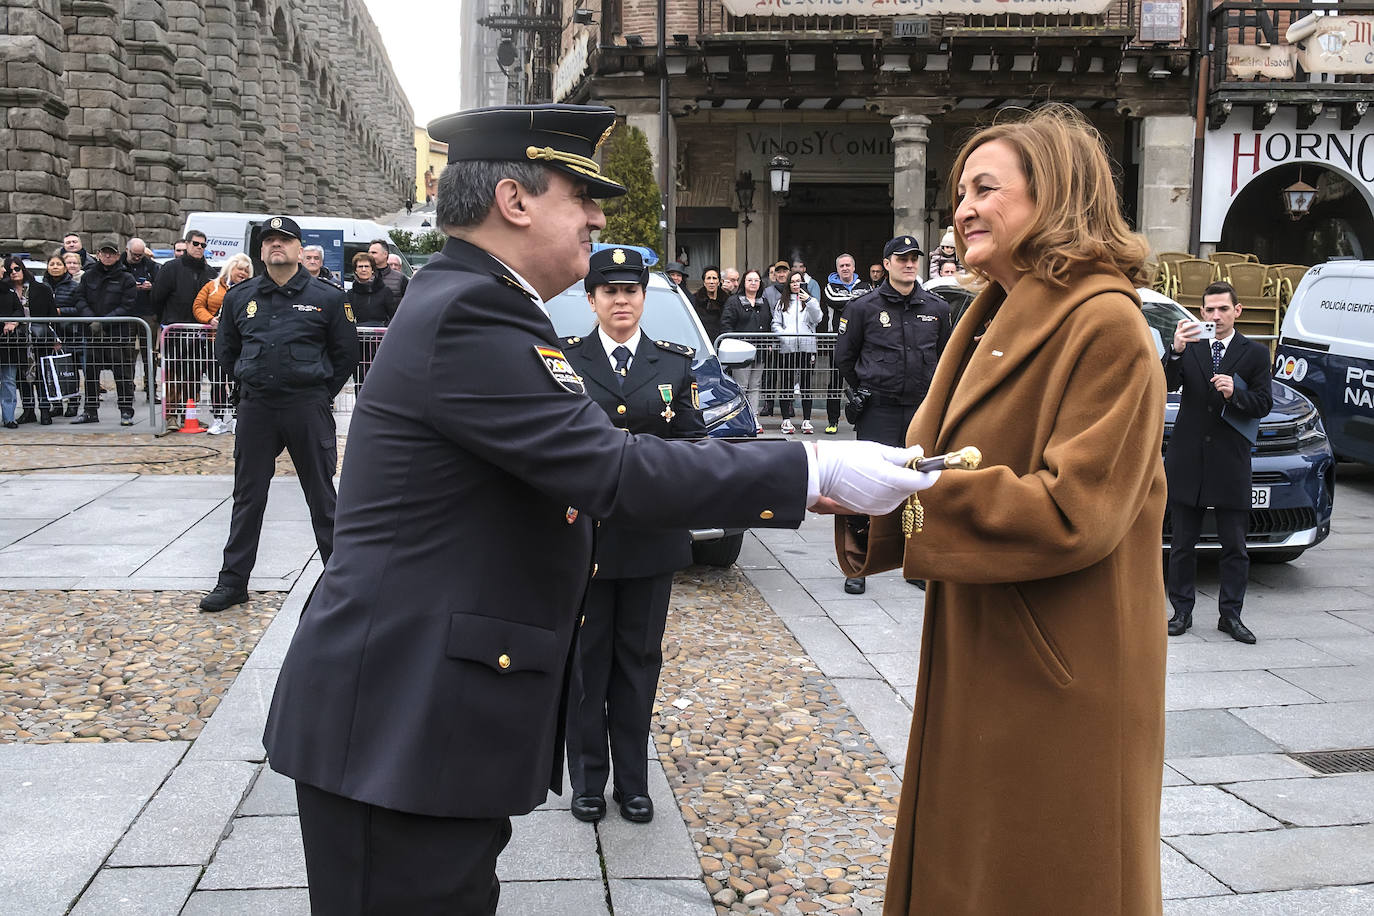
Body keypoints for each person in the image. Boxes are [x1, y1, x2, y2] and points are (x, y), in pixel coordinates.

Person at [259, 102, 936, 916]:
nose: (596, 216)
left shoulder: (484, 303)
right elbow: (611, 469)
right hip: (397, 720)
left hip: (420, 716)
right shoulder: (472, 312)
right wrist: (808, 465)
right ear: (515, 201)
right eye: (579, 195)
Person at [835, 104, 1167, 914]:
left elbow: (1073, 510)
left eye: (986, 188)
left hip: (1060, 663)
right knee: (971, 867)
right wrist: (862, 494)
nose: (963, 208)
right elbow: (938, 459)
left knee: (1043, 874)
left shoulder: (1107, 324)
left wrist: (911, 500)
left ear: (1051, 195)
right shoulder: (985, 310)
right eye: (959, 192)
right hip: (986, 639)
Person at [560, 246, 705, 826]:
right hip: (585, 538)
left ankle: (634, 782)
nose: (621, 300)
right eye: (609, 291)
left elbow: (694, 443)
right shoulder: (563, 361)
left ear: (644, 298)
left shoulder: (673, 364)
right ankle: (588, 780)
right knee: (586, 661)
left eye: (631, 291)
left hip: (648, 535)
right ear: (591, 299)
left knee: (639, 660)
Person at [200, 216, 357, 613]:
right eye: (269, 240)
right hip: (258, 407)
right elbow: (226, 350)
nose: (276, 246)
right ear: (260, 250)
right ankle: (233, 582)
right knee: (247, 497)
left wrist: (320, 394)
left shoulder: (328, 297)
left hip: (306, 406)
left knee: (322, 498)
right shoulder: (240, 296)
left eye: (284, 240)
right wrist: (245, 380)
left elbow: (346, 354)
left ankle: (342, 585)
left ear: (299, 249)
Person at [834, 236, 952, 594]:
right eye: (901, 258)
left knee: (919, 486)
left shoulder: (937, 308)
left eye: (914, 258)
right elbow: (844, 358)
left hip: (921, 410)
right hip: (879, 409)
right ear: (886, 263)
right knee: (865, 484)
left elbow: (946, 359)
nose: (909, 264)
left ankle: (915, 562)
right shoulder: (862, 308)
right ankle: (858, 565)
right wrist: (865, 388)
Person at [1164, 280, 1272, 645]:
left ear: (1237, 311)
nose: (1215, 315)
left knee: (1234, 546)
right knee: (1182, 543)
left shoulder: (1254, 353)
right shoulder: (1191, 346)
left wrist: (1235, 393)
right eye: (1209, 310)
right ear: (1201, 313)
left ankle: (1231, 615)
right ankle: (1181, 611)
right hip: (1188, 457)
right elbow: (1164, 383)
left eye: (1223, 309)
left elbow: (1263, 404)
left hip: (1230, 460)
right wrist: (1176, 350)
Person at [152, 229, 214, 429]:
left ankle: (190, 416)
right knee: (172, 375)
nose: (199, 248)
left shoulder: (209, 272)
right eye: (196, 244)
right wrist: (167, 321)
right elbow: (157, 298)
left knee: (194, 376)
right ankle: (171, 416)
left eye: (203, 245)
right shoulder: (171, 268)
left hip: (199, 333)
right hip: (175, 330)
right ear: (187, 244)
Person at [73, 241, 138, 425]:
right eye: (104, 253)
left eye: (111, 253)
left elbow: (128, 304)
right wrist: (91, 319)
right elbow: (79, 298)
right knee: (91, 375)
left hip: (117, 334)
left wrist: (104, 321)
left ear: (118, 256)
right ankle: (90, 411)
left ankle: (126, 411)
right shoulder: (89, 276)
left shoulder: (126, 278)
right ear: (98, 254)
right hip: (93, 334)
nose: (108, 256)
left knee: (123, 376)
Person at [192, 253, 254, 435]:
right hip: (214, 341)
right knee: (217, 381)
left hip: (241, 342)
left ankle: (237, 418)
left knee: (238, 381)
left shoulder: (251, 289)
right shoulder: (212, 286)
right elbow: (197, 306)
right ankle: (218, 418)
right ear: (230, 268)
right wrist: (210, 319)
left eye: (246, 270)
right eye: (239, 269)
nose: (242, 273)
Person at [1, 257, 60, 426]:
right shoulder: (6, 290)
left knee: (40, 375)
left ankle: (44, 409)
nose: (14, 273)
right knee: (21, 377)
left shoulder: (40, 288)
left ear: (23, 269)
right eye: (10, 270)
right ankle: (28, 411)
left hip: (39, 337)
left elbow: (51, 316)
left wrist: (55, 337)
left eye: (17, 269)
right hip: (16, 340)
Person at [819, 253, 874, 433]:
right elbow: (833, 300)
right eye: (841, 266)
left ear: (854, 267)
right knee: (835, 382)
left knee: (860, 382)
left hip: (860, 340)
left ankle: (860, 420)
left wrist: (852, 303)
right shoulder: (830, 287)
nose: (845, 268)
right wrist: (859, 302)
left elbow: (872, 304)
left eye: (848, 265)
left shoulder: (865, 285)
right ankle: (833, 421)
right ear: (837, 269)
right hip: (836, 340)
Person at [771, 269, 822, 434]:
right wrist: (785, 337)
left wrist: (811, 301)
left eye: (798, 281)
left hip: (807, 347)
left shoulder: (810, 301)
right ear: (788, 284)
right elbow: (775, 324)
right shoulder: (781, 302)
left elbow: (818, 319)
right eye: (792, 282)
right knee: (786, 383)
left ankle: (806, 420)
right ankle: (786, 420)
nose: (796, 285)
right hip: (788, 348)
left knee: (806, 384)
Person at [720, 267, 770, 431]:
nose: (754, 283)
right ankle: (741, 418)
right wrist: (733, 342)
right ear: (744, 282)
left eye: (756, 280)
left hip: (760, 350)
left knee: (755, 385)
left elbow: (769, 324)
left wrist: (769, 342)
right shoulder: (734, 301)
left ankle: (754, 417)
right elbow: (726, 324)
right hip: (741, 352)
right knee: (741, 385)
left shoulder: (764, 301)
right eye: (750, 280)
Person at [346, 252, 397, 390]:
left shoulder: (385, 291)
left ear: (372, 269)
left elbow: (393, 316)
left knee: (380, 379)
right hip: (359, 344)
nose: (363, 269)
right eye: (360, 266)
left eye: (367, 266)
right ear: (355, 270)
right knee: (360, 380)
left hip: (379, 342)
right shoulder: (350, 295)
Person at [44, 252, 84, 417]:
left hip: (68, 333)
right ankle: (57, 403)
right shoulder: (42, 286)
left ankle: (73, 403)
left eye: (58, 264)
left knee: (70, 370)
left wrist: (60, 312)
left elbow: (79, 309)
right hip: (48, 334)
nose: (55, 267)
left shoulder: (74, 286)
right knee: (50, 370)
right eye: (52, 264)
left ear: (65, 267)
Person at [121, 238, 160, 405]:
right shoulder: (119, 265)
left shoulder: (151, 265)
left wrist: (152, 286)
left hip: (147, 313)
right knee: (126, 355)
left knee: (149, 355)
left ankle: (151, 389)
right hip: (126, 313)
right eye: (134, 255)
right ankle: (127, 390)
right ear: (127, 250)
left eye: (140, 254)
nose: (137, 258)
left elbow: (161, 285)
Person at [691, 264, 728, 343]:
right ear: (704, 282)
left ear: (719, 282)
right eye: (708, 278)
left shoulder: (727, 301)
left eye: (714, 278)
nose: (711, 282)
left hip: (721, 343)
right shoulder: (694, 299)